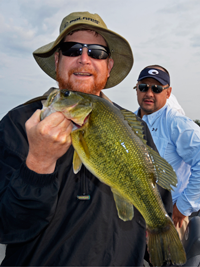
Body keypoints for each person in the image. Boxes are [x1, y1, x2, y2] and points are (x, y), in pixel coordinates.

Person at [0, 13, 173, 266]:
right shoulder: (19, 124)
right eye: (72, 50)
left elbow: (159, 206)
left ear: (108, 65)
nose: (84, 58)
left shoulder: (135, 129)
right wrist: (38, 162)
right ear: (57, 59)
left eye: (97, 52)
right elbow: (7, 226)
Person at [134, 64, 200, 240]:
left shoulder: (177, 124)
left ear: (168, 93)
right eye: (143, 87)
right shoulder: (128, 122)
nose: (149, 93)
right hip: (137, 218)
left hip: (171, 218)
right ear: (136, 89)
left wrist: (182, 207)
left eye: (156, 88)